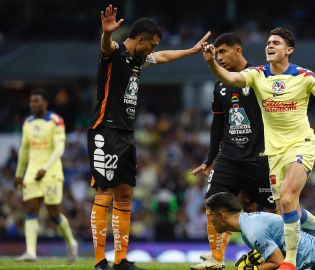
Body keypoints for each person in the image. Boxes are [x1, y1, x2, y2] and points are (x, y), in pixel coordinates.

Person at [202, 27, 315, 270]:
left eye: (276, 43)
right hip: (274, 153)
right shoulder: (256, 75)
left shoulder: (304, 76)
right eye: (268, 42)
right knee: (288, 207)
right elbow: (229, 78)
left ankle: (290, 261)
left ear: (289, 50)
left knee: (287, 197)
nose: (270, 46)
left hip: (301, 146)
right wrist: (212, 63)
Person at [191, 32, 315, 270]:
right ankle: (216, 259)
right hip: (229, 156)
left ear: (238, 50)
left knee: (278, 209)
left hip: (262, 157)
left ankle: (291, 248)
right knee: (213, 202)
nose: (220, 57)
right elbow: (218, 122)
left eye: (223, 52)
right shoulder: (221, 84)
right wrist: (209, 159)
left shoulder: (260, 77)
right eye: (216, 54)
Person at [89, 5, 210, 270]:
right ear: (140, 39)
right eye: (152, 44)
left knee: (125, 194)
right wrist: (106, 34)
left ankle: (121, 260)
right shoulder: (116, 53)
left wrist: (190, 51)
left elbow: (163, 56)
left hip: (126, 133)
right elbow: (106, 47)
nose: (154, 50)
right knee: (104, 191)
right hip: (106, 130)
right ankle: (100, 260)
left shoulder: (137, 59)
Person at [14, 90, 78, 263]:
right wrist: (19, 174)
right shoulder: (27, 122)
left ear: (45, 103)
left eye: (36, 101)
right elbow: (24, 149)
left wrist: (45, 168)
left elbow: (59, 148)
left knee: (54, 214)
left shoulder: (55, 121)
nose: (32, 104)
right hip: (32, 174)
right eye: (31, 101)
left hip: (51, 173)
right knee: (31, 210)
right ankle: (31, 252)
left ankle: (71, 243)